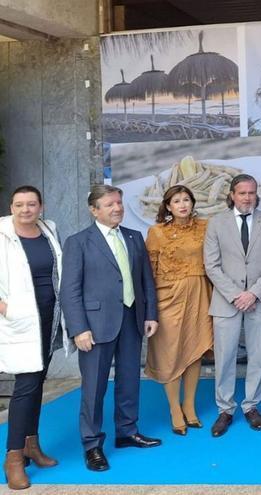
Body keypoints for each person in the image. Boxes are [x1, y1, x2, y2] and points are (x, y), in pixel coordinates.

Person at [60, 185, 161, 472]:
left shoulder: (134, 237)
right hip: (94, 325)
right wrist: (79, 328)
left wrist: (150, 314)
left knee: (130, 380)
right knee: (94, 388)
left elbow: (146, 281)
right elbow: (69, 290)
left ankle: (127, 432)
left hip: (132, 319)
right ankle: (92, 445)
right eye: (109, 204)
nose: (117, 208)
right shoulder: (78, 242)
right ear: (94, 210)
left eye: (119, 202)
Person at [1, 186, 67, 489]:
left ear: (41, 206)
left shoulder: (48, 229)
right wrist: (4, 307)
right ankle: (13, 457)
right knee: (26, 386)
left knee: (38, 381)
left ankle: (31, 444)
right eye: (19, 205)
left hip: (48, 317)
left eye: (31, 204)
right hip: (20, 320)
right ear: (11, 207)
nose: (25, 210)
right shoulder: (2, 234)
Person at [203, 174, 261, 437]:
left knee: (258, 355)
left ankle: (251, 405)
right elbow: (211, 265)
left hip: (258, 300)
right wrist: (237, 294)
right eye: (242, 193)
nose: (248, 197)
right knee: (225, 358)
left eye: (252, 193)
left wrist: (253, 294)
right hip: (226, 301)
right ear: (232, 195)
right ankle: (225, 408)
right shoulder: (216, 223)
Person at [144, 185, 213, 435]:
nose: (183, 204)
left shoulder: (206, 227)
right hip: (168, 298)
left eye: (186, 199)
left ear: (193, 203)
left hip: (200, 295)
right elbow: (148, 272)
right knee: (170, 353)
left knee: (194, 350)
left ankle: (189, 405)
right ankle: (174, 408)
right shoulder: (157, 232)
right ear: (168, 206)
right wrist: (149, 307)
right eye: (176, 201)